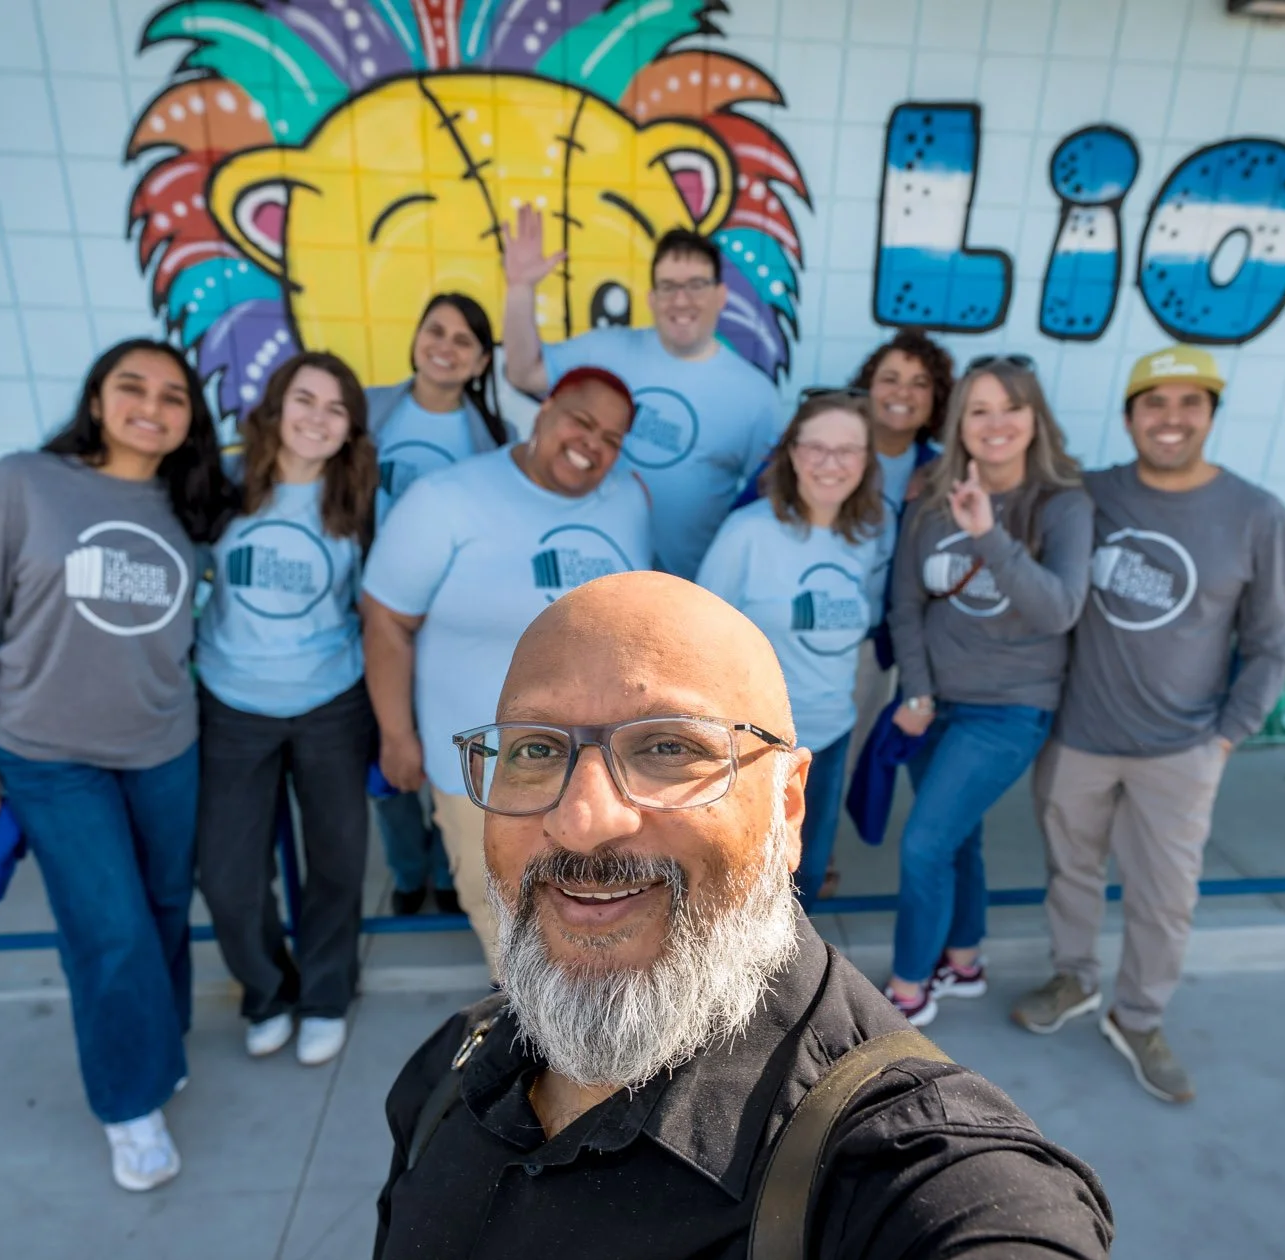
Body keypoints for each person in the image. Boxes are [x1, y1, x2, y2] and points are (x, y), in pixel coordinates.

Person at [334, 572, 1153, 1260]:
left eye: (666, 747)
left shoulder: (911, 1182)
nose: (583, 822)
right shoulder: (451, 1073)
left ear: (789, 805)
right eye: (537, 749)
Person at [0, 339, 234, 1192]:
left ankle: (158, 1039)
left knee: (164, 907)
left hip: (163, 745)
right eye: (131, 386)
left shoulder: (189, 506)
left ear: (190, 421)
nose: (152, 405)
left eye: (173, 395)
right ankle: (129, 1101)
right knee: (107, 928)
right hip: (48, 755)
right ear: (97, 397)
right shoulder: (22, 483)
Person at [1014, 345, 1285, 1105]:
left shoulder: (1258, 515)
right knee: (1071, 871)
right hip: (1080, 735)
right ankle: (1073, 975)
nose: (1170, 419)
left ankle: (1138, 1016)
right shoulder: (1090, 493)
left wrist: (1226, 737)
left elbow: (1272, 644)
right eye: (1154, 404)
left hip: (1181, 747)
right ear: (1131, 416)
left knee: (1164, 895)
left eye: (1188, 403)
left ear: (1209, 413)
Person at [361, 367, 650, 973]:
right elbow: (386, 618)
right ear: (544, 411)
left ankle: (585, 1048)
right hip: (485, 770)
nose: (593, 443)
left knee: (587, 915)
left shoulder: (628, 499)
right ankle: (532, 1053)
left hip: (599, 768)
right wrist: (396, 734)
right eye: (582, 421)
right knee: (507, 925)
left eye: (612, 438)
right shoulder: (447, 499)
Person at [883, 358, 1092, 1026]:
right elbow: (906, 605)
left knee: (922, 844)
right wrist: (916, 692)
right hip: (935, 704)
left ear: (1035, 419)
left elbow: (1058, 608)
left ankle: (908, 989)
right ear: (959, 423)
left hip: (1009, 710)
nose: (996, 424)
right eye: (979, 410)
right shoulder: (927, 498)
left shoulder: (1063, 503)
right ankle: (964, 960)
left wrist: (988, 536)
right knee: (956, 837)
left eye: (1011, 408)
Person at [196, 351, 377, 1068]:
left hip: (331, 699)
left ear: (350, 428)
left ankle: (327, 992)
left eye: (336, 409)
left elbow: (376, 604)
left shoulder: (358, 495)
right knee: (229, 874)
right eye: (305, 399)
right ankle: (267, 990)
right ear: (276, 405)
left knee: (336, 857)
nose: (318, 418)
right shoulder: (225, 485)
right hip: (231, 701)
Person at [501, 206, 780, 579]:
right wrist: (520, 290)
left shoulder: (757, 397)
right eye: (668, 286)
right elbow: (524, 373)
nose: (681, 300)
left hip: (684, 590)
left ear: (721, 295)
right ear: (651, 298)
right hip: (591, 574)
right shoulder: (607, 350)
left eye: (696, 285)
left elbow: (770, 495)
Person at [697, 390, 891, 909]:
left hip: (828, 740)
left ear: (867, 460)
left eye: (848, 450)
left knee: (800, 891)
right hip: (757, 746)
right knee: (741, 896)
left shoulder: (867, 535)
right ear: (792, 453)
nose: (831, 463)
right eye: (816, 447)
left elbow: (867, 618)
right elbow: (699, 637)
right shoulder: (749, 533)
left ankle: (793, 993)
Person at [366, 294, 517, 918]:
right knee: (389, 742)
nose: (445, 347)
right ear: (416, 339)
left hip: (448, 626)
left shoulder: (494, 439)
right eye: (436, 331)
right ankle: (408, 871)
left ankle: (451, 860)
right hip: (381, 613)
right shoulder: (371, 412)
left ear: (481, 360)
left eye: (463, 341)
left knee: (451, 747)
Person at [852, 327, 955, 518]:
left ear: (937, 399)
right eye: (890, 380)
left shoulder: (944, 472)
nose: (903, 392)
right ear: (867, 389)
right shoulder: (826, 454)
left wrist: (936, 473)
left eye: (919, 384)